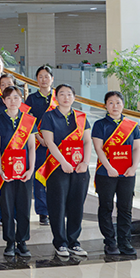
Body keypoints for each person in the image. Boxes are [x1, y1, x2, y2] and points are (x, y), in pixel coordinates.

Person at [38, 84, 92, 259]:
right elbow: (49, 142)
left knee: (77, 205)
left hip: (80, 167)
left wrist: (85, 162)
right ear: (56, 97)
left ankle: (74, 242)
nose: (66, 97)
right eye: (62, 94)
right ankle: (60, 242)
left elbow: (87, 141)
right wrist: (63, 162)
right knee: (57, 205)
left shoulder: (81, 117)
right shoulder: (48, 116)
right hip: (57, 166)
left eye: (69, 94)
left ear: (74, 97)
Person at [0, 86, 37, 258]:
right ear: (3, 101)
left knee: (24, 206)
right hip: (5, 171)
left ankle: (22, 241)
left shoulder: (29, 120)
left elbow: (31, 147)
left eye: (16, 97)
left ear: (21, 99)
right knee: (7, 207)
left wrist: (31, 169)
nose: (12, 101)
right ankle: (9, 242)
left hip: (25, 171)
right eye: (8, 98)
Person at [91, 90, 140, 256]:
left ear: (123, 105)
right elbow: (98, 148)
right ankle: (110, 242)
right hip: (105, 173)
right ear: (105, 106)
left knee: (125, 208)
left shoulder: (132, 125)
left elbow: (136, 148)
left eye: (118, 103)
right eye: (111, 103)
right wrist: (109, 167)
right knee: (106, 207)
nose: (115, 106)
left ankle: (124, 241)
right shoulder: (100, 125)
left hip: (127, 173)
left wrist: (134, 167)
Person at [26, 65, 57, 226]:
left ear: (52, 79)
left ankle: (55, 210)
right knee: (39, 178)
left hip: (56, 144)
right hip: (38, 143)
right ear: (36, 80)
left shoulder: (59, 97)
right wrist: (39, 136)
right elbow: (27, 121)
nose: (44, 80)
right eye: (40, 77)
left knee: (55, 177)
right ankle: (43, 212)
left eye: (47, 76)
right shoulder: (31, 99)